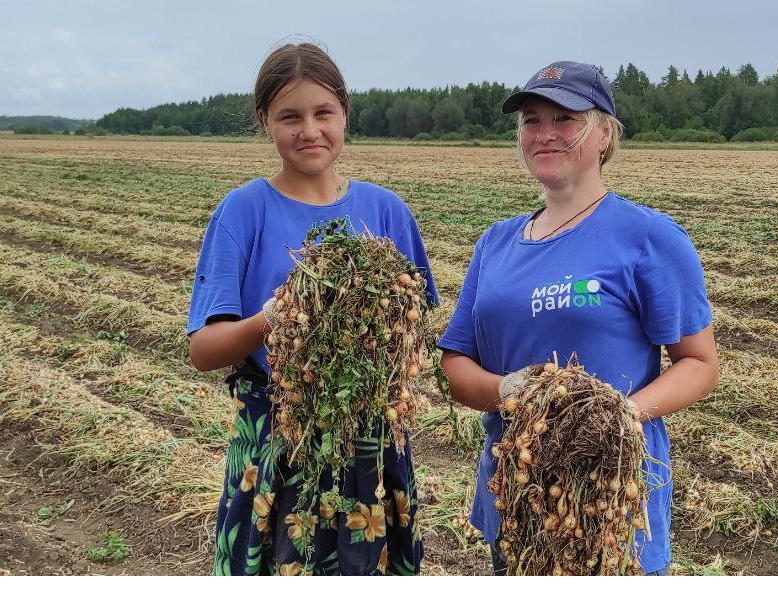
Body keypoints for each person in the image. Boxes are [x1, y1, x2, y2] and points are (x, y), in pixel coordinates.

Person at [437, 61, 719, 576]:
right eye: (531, 120)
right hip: (516, 493)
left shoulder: (649, 237)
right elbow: (455, 362)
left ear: (603, 133)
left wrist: (620, 415)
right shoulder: (495, 244)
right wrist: (506, 392)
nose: (545, 133)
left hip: (609, 501)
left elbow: (699, 363)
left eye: (564, 119)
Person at [187, 42, 438, 576]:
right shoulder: (243, 211)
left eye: (323, 113)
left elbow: (417, 325)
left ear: (345, 114)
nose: (309, 130)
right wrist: (273, 319)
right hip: (278, 434)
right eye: (289, 116)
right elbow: (203, 350)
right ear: (264, 122)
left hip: (371, 439)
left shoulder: (386, 211)